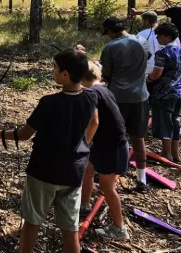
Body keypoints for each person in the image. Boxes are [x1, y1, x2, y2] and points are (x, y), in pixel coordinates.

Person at [0, 50, 99, 253]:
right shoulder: (90, 96)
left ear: (65, 74)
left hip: (44, 170)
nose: (52, 71)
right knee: (70, 229)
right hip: (74, 170)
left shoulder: (49, 102)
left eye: (55, 68)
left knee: (32, 221)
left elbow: (24, 134)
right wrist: (82, 144)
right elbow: (95, 122)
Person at [98, 17, 151, 193]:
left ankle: (107, 172)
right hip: (140, 96)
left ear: (112, 31)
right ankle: (142, 179)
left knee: (111, 136)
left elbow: (106, 74)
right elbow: (146, 60)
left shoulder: (111, 47)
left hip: (117, 97)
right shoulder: (142, 41)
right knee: (138, 137)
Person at [79, 62, 131, 240]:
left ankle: (119, 229)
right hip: (103, 144)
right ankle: (84, 205)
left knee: (106, 186)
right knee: (88, 171)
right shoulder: (104, 89)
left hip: (113, 146)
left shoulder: (90, 92)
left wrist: (84, 144)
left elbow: (94, 122)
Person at [148, 23, 181, 163]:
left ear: (168, 36)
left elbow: (157, 73)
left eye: (159, 35)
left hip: (163, 93)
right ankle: (176, 154)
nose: (157, 38)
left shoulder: (162, 53)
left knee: (164, 123)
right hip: (178, 92)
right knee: (175, 122)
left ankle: (166, 154)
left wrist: (148, 78)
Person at [135, 11, 180, 77]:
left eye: (142, 20)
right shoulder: (170, 32)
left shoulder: (141, 34)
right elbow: (178, 50)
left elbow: (137, 53)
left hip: (149, 70)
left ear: (146, 21)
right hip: (169, 70)